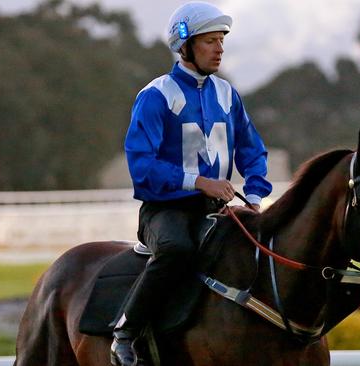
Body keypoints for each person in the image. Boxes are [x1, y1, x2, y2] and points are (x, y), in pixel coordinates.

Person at [110, 2, 272, 365]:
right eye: (210, 41)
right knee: (178, 250)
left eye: (221, 41)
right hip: (164, 211)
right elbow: (142, 166)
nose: (219, 49)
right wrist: (199, 183)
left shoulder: (228, 95)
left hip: (217, 211)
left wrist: (257, 196)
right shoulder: (156, 95)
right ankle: (126, 331)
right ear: (185, 46)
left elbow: (252, 151)